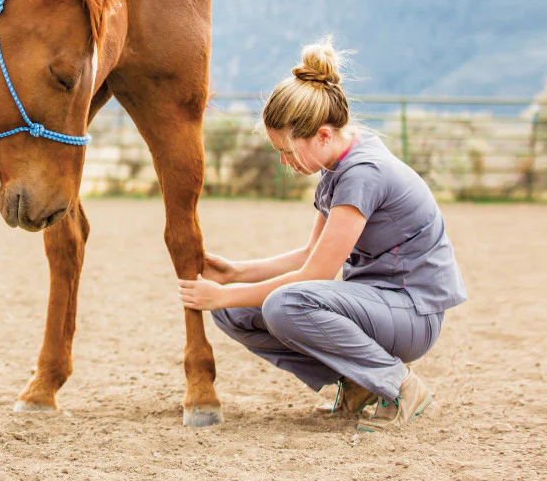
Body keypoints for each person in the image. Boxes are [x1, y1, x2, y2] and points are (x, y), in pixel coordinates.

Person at [178, 38, 467, 431]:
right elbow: (312, 253)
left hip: (411, 313)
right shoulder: (334, 169)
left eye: (289, 151)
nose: (285, 162)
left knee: (284, 304)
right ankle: (357, 382)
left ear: (324, 135)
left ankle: (399, 385)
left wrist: (222, 293)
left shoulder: (363, 174)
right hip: (377, 306)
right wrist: (236, 275)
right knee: (234, 312)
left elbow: (316, 275)